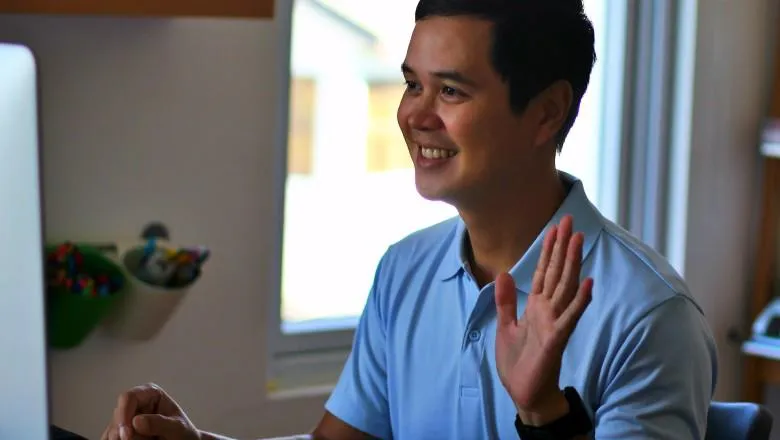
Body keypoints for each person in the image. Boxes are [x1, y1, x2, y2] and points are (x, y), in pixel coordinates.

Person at [101, 0, 718, 439]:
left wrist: (543, 414)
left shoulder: (648, 316)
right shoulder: (405, 271)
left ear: (546, 113)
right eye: (410, 84)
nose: (412, 115)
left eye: (450, 91)